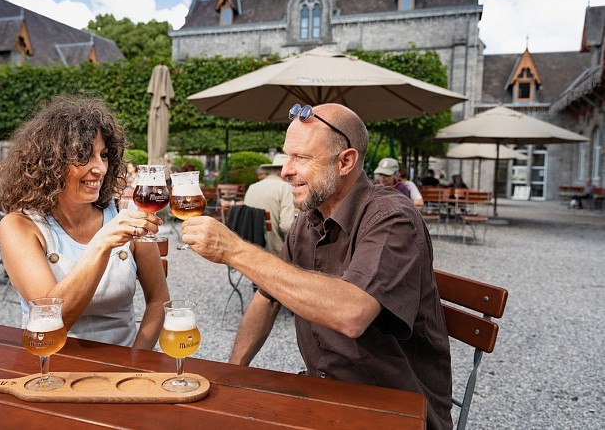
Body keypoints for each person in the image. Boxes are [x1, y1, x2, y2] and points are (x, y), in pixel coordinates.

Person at [182, 103, 452, 429]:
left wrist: (234, 251)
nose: (285, 170)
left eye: (301, 158)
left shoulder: (392, 217)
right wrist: (233, 373)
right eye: (286, 156)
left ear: (346, 162)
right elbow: (266, 299)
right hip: (323, 391)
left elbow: (352, 314)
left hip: (390, 404)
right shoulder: (309, 219)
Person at [0, 95, 169, 349]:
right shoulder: (20, 226)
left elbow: (158, 300)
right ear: (50, 162)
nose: (100, 168)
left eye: (104, 155)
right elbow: (52, 321)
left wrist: (136, 358)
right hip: (51, 365)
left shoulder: (126, 213)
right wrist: (101, 245)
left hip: (125, 368)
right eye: (84, 156)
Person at [243, 154, 296, 256]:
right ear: (285, 172)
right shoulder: (285, 188)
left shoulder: (252, 187)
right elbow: (286, 226)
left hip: (250, 248)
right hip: (274, 250)